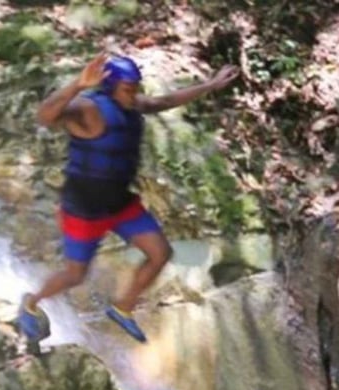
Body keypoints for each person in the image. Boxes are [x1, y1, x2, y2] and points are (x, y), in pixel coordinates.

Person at [17, 54, 238, 344]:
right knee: (75, 275)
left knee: (160, 253)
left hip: (120, 205)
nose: (133, 93)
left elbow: (165, 101)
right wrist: (77, 85)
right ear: (109, 87)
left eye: (136, 86)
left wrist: (210, 85)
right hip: (84, 211)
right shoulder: (88, 109)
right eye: (127, 88)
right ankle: (31, 302)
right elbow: (44, 117)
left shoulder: (133, 105)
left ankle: (123, 308)